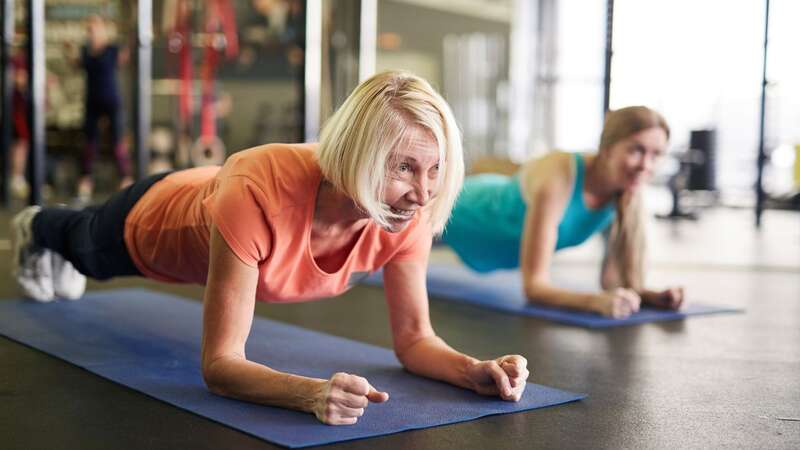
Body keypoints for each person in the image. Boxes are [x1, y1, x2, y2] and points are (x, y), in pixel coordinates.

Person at [11, 71, 529, 425]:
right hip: (156, 220)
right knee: (85, 248)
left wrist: (472, 371)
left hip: (216, 194)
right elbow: (219, 365)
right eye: (403, 168)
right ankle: (36, 226)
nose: (424, 191)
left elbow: (415, 339)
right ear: (359, 157)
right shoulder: (259, 194)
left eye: (435, 168)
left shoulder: (406, 210)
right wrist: (311, 393)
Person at [442, 106, 684, 319]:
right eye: (636, 150)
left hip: (491, 239)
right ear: (608, 148)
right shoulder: (560, 175)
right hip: (463, 208)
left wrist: (648, 296)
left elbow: (611, 283)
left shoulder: (625, 193)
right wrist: (593, 303)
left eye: (656, 154)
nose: (646, 165)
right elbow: (535, 287)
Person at [68, 14, 133, 202]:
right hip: (93, 101)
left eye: (95, 28)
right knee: (89, 144)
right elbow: (77, 65)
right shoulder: (85, 51)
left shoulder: (113, 49)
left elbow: (125, 57)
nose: (92, 32)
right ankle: (85, 184)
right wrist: (69, 52)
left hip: (112, 101)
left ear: (103, 29)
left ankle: (126, 181)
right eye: (89, 29)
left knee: (118, 143)